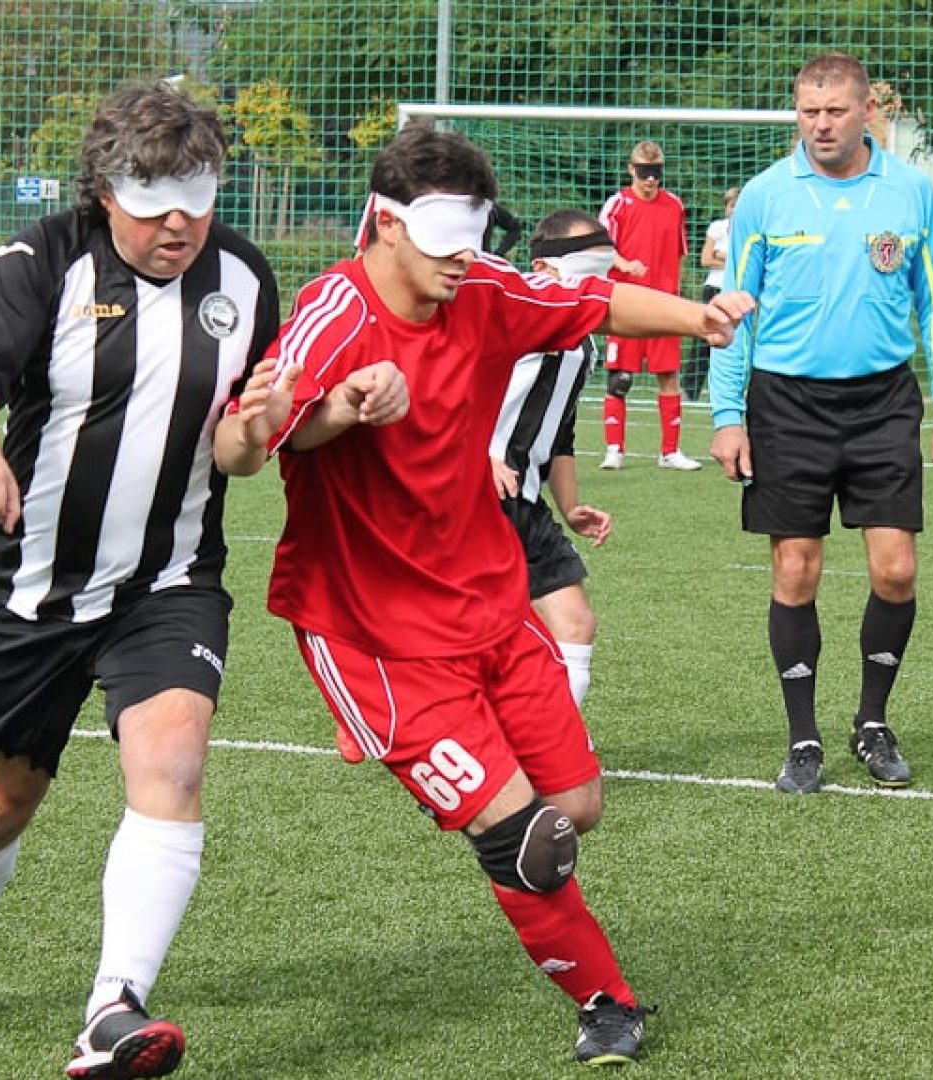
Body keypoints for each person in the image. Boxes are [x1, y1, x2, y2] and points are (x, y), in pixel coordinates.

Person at [215, 123, 753, 1067]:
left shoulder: (484, 289)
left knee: (576, 806)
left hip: (489, 608)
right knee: (527, 838)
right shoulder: (330, 316)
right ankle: (605, 1004)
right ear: (384, 224)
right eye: (442, 240)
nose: (464, 259)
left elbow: (589, 298)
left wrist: (693, 315)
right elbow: (261, 442)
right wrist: (338, 408)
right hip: (372, 634)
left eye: (473, 236)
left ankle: (449, 773)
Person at [0, 84, 282, 1080]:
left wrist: (265, 427)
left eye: (197, 197)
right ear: (104, 189)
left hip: (174, 581)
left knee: (176, 764)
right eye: (154, 203)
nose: (179, 224)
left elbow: (240, 446)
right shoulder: (43, 261)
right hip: (36, 586)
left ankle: (114, 1008)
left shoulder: (245, 275)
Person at [707, 53, 933, 795]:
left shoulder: (910, 193)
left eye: (834, 111)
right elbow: (733, 315)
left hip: (884, 401)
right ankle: (803, 739)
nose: (820, 125)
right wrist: (728, 415)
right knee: (797, 570)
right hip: (786, 404)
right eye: (807, 111)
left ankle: (872, 723)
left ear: (866, 113)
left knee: (896, 570)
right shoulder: (763, 198)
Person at [488, 209, 617, 709]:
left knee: (576, 624)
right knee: (469, 634)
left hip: (523, 501)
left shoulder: (582, 341)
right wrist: (481, 457)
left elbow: (560, 432)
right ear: (543, 270)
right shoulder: (515, 316)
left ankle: (550, 760)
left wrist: (571, 505)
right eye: (588, 272)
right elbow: (454, 389)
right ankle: (377, 696)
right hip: (474, 496)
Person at [598, 140, 700, 471]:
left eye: (656, 173)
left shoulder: (674, 205)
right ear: (631, 170)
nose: (651, 180)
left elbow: (679, 254)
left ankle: (670, 451)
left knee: (668, 375)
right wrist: (625, 265)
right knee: (619, 379)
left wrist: (677, 295)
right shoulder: (617, 205)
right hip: (625, 304)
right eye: (644, 173)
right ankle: (615, 449)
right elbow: (599, 249)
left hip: (663, 304)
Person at [683, 187, 740, 400]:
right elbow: (706, 259)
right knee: (703, 339)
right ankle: (689, 390)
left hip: (736, 290)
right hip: (714, 288)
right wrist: (729, 258)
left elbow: (746, 259)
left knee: (735, 342)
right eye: (732, 205)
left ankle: (731, 390)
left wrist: (721, 254)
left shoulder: (749, 229)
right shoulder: (717, 227)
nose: (734, 210)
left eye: (738, 206)